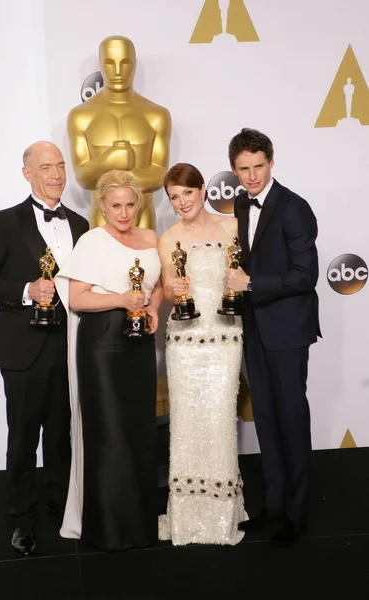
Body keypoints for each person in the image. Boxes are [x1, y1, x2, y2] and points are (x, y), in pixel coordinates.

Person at [0, 141, 89, 556]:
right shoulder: (4, 222)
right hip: (23, 349)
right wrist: (25, 290)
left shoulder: (80, 223)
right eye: (46, 167)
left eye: (60, 166)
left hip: (71, 345)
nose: (56, 174)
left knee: (61, 433)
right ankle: (21, 516)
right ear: (27, 174)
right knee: (23, 437)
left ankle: (60, 503)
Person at [55, 169, 162, 551]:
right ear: (102, 205)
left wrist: (152, 307)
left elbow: (160, 284)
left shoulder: (150, 239)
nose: (123, 212)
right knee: (109, 433)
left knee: (138, 432)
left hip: (139, 344)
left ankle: (139, 524)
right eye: (115, 205)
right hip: (101, 345)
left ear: (139, 203)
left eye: (130, 204)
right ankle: (109, 529)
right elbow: (78, 299)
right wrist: (121, 299)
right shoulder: (91, 241)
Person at [228, 128, 321, 545]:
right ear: (234, 168)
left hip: (287, 329)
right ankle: (275, 505)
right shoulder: (239, 205)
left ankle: (298, 514)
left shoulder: (294, 208)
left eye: (258, 167)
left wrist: (250, 284)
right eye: (244, 169)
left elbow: (306, 276)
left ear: (271, 161)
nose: (251, 176)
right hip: (254, 330)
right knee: (264, 417)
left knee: (291, 418)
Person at [157, 163, 247, 546]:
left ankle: (224, 513)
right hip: (184, 342)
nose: (181, 203)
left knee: (220, 419)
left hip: (225, 338)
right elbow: (161, 292)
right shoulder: (168, 239)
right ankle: (187, 515)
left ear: (202, 191)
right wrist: (172, 288)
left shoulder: (232, 228)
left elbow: (242, 277)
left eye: (187, 194)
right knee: (188, 423)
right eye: (174, 198)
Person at [67, 35, 171, 229]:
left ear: (134, 66)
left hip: (144, 211)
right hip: (101, 213)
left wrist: (114, 175)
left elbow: (160, 176)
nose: (117, 71)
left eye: (124, 63)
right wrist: (110, 159)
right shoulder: (80, 116)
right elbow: (82, 177)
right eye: (109, 63)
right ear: (101, 65)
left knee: (146, 259)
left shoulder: (156, 115)